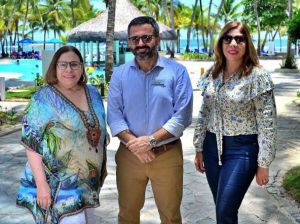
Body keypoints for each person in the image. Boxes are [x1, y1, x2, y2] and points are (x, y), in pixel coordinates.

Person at [107, 16, 193, 224]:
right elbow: (114, 115)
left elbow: (182, 116)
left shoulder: (177, 72)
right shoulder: (119, 74)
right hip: (130, 156)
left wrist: (150, 141)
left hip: (166, 155)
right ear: (128, 42)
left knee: (171, 217)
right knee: (127, 215)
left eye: (146, 38)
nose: (140, 44)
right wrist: (135, 144)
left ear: (158, 39)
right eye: (134, 39)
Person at [193, 21, 277, 224]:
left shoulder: (258, 76)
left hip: (242, 150)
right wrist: (199, 147)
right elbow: (204, 112)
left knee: (225, 212)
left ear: (247, 44)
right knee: (223, 210)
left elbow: (268, 123)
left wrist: (263, 163)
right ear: (221, 43)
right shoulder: (212, 74)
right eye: (227, 38)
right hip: (212, 148)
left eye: (239, 39)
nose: (233, 43)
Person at [16, 46, 108, 224]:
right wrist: (41, 184)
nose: (69, 69)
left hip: (88, 182)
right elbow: (31, 144)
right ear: (54, 68)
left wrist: (103, 168)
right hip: (58, 184)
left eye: (74, 64)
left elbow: (100, 132)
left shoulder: (93, 93)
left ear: (82, 67)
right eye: (63, 64)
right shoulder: (43, 98)